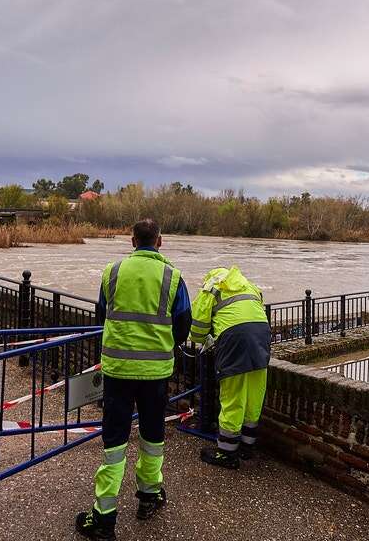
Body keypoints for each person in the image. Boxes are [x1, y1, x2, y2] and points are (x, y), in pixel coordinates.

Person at [76, 219, 193, 540]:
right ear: (160, 241)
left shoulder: (112, 273)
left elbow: (103, 316)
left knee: (114, 441)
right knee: (153, 436)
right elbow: (183, 326)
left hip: (117, 371)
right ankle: (150, 495)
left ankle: (103, 517)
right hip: (155, 373)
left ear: (131, 241)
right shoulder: (173, 277)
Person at [190, 265, 271, 468]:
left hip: (234, 339)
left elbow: (198, 329)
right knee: (254, 392)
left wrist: (205, 338)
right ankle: (247, 446)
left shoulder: (212, 288)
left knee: (232, 395)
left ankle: (227, 453)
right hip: (261, 335)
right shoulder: (249, 286)